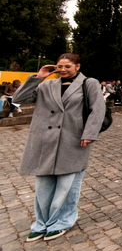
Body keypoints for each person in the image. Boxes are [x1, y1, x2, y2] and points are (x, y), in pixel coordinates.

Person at [13, 53, 106, 242]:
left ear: (77, 66)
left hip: (72, 138)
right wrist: (38, 77)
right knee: (43, 186)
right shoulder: (47, 84)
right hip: (45, 140)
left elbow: (98, 109)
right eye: (59, 66)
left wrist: (89, 133)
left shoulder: (89, 83)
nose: (63, 70)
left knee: (67, 185)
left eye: (67, 67)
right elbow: (19, 98)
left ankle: (63, 220)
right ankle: (42, 222)